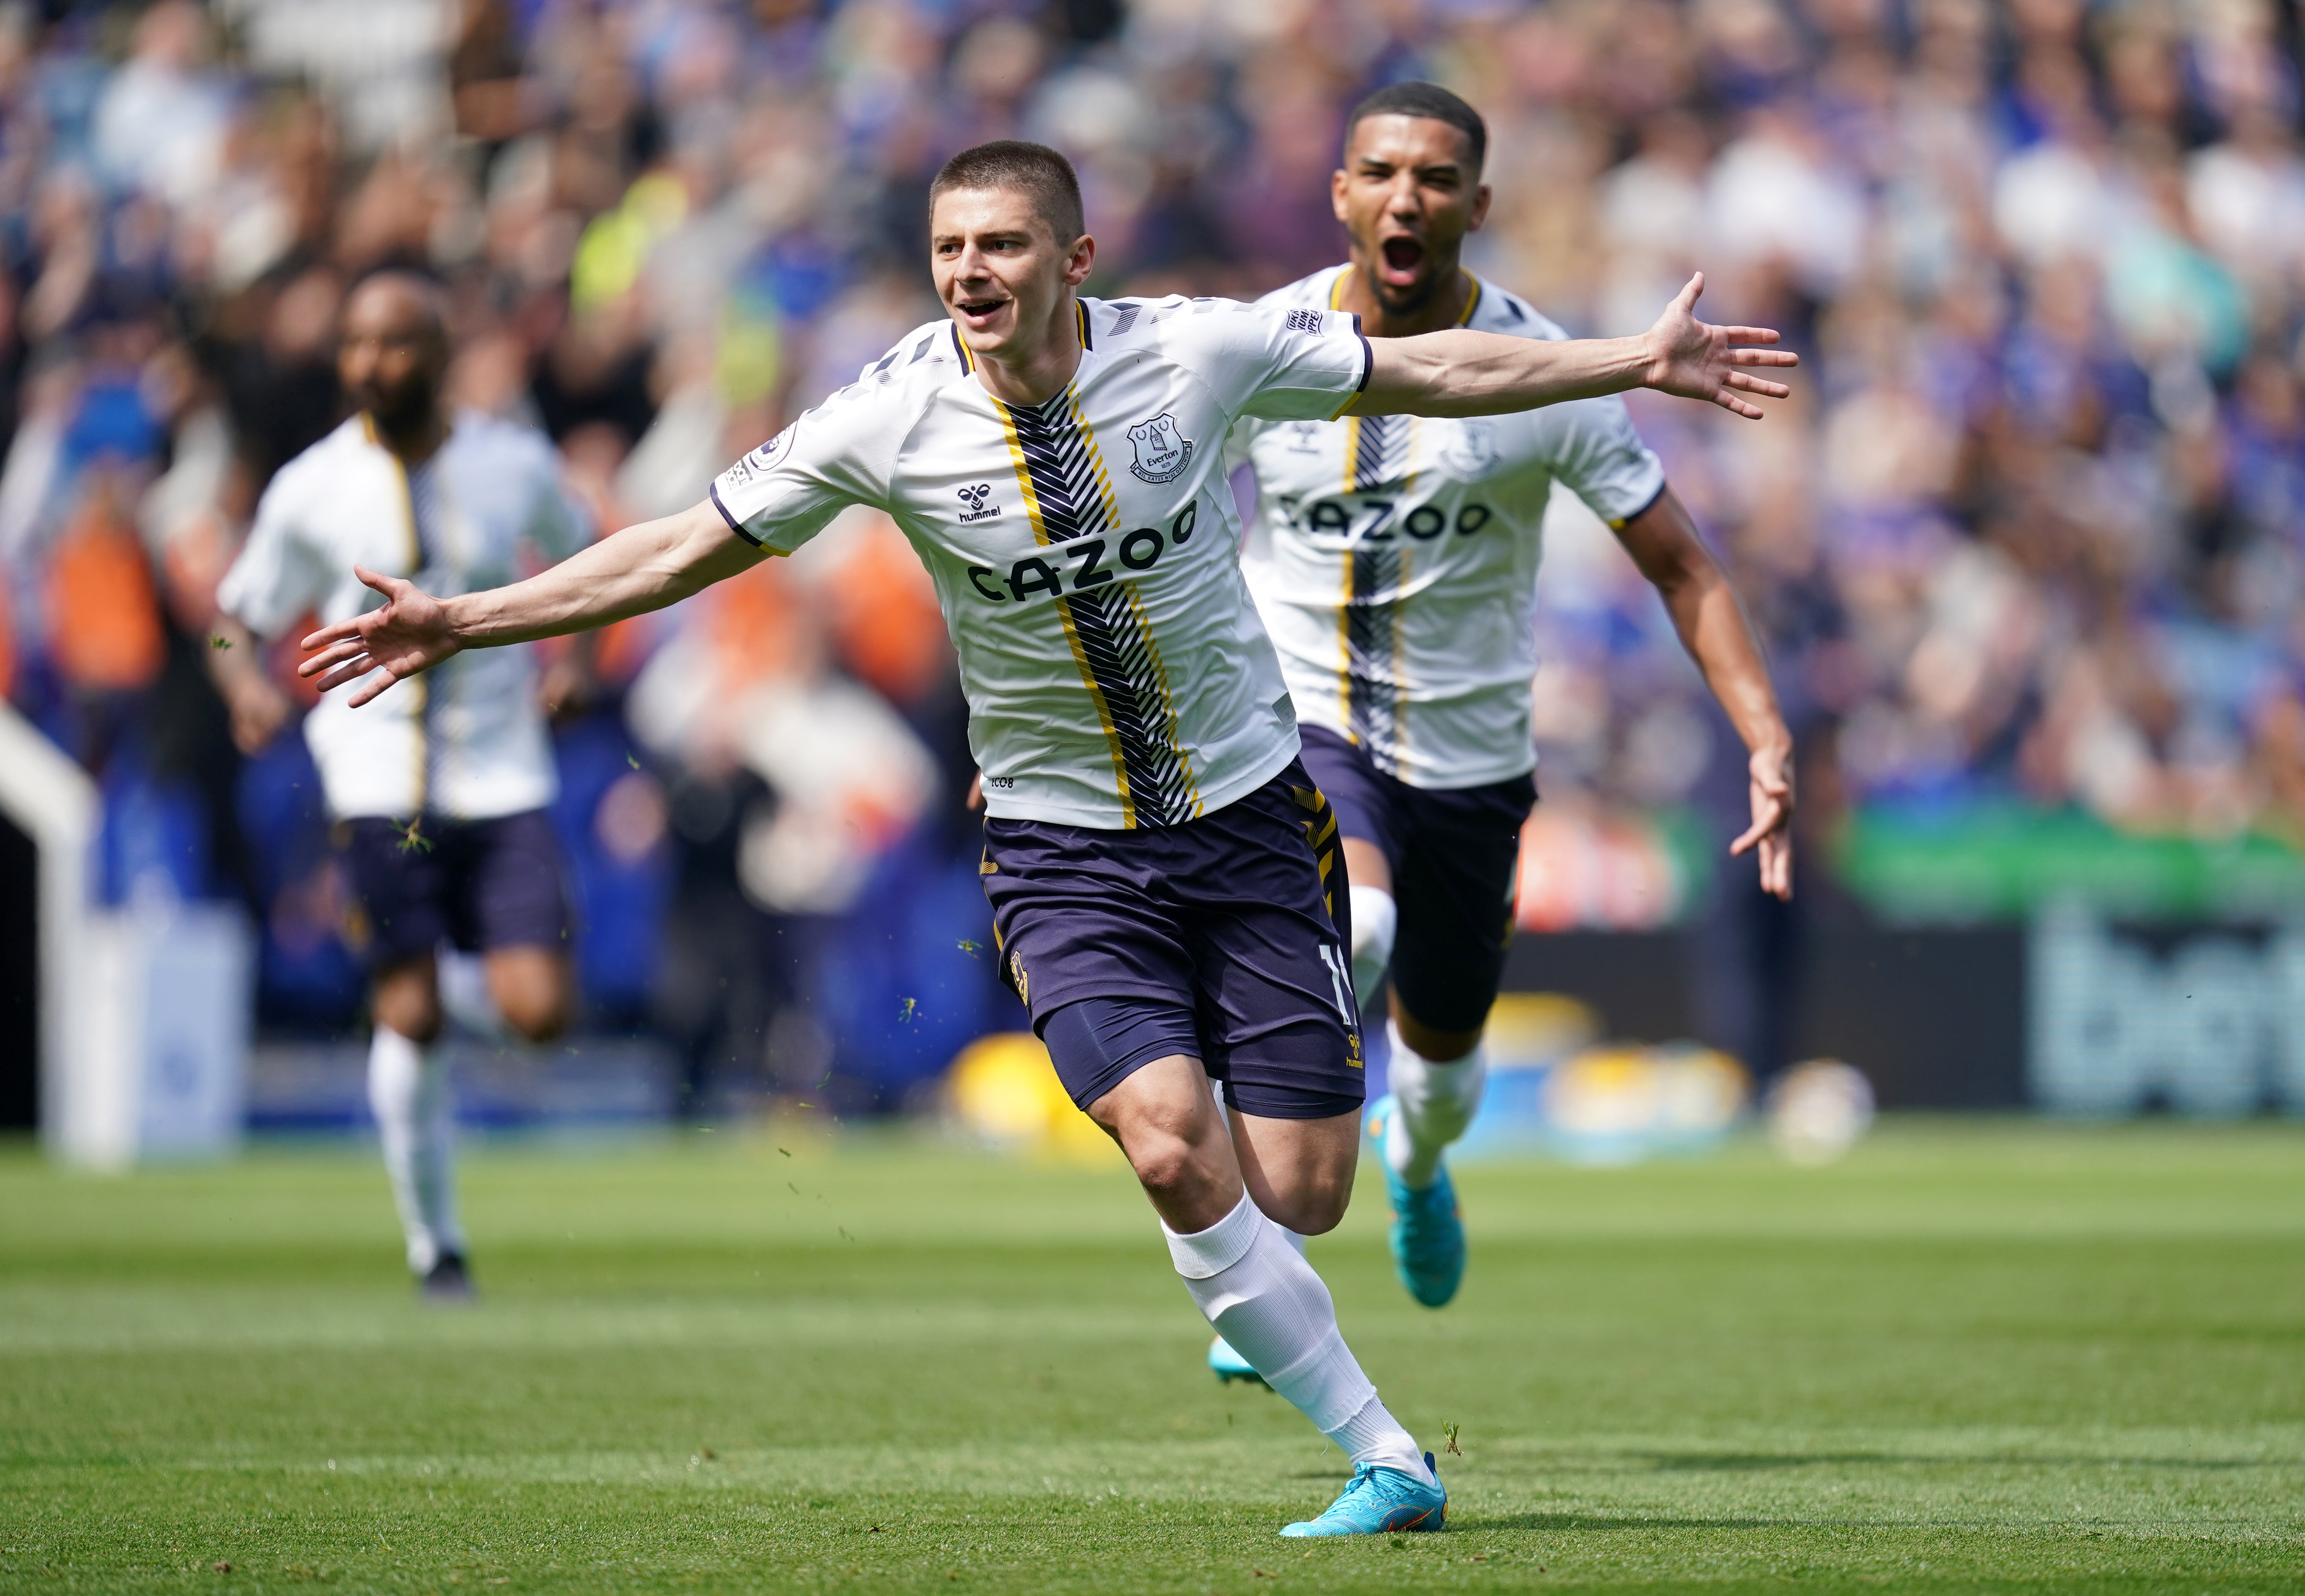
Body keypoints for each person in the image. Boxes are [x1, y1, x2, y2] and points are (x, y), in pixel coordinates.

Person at [293, 141, 1794, 1534]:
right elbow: (683, 543)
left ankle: (1303, 1243)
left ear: (1074, 256)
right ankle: (1388, 1454)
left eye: (1001, 242)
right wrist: (463, 619)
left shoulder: (1193, 351)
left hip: (1255, 822)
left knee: (1306, 1191)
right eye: (950, 246)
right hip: (1061, 847)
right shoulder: (888, 410)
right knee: (1164, 1142)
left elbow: (1433, 367)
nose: (970, 270)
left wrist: (1628, 360)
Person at [1218, 84, 1795, 1344]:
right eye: (1379, 171)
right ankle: (1253, 1257)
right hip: (1302, 723)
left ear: (1477, 204)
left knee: (1439, 1078)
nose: (1405, 197)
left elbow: (1681, 565)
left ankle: (1415, 1168)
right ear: (1341, 195)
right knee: (1349, 920)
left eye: (1434, 177)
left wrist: (1764, 732)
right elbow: (1156, 537)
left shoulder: (1549, 371)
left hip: (1472, 763)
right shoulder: (1260, 348)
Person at [209, 272, 594, 1300]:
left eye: (393, 345)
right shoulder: (314, 484)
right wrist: (243, 682)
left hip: (506, 770)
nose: (370, 364)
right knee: (410, 1016)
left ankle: (435, 971)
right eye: (356, 345)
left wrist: (578, 665)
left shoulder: (511, 460)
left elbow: (589, 556)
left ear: (437, 352)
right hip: (375, 774)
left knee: (541, 1013)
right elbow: (228, 613)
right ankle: (437, 1246)